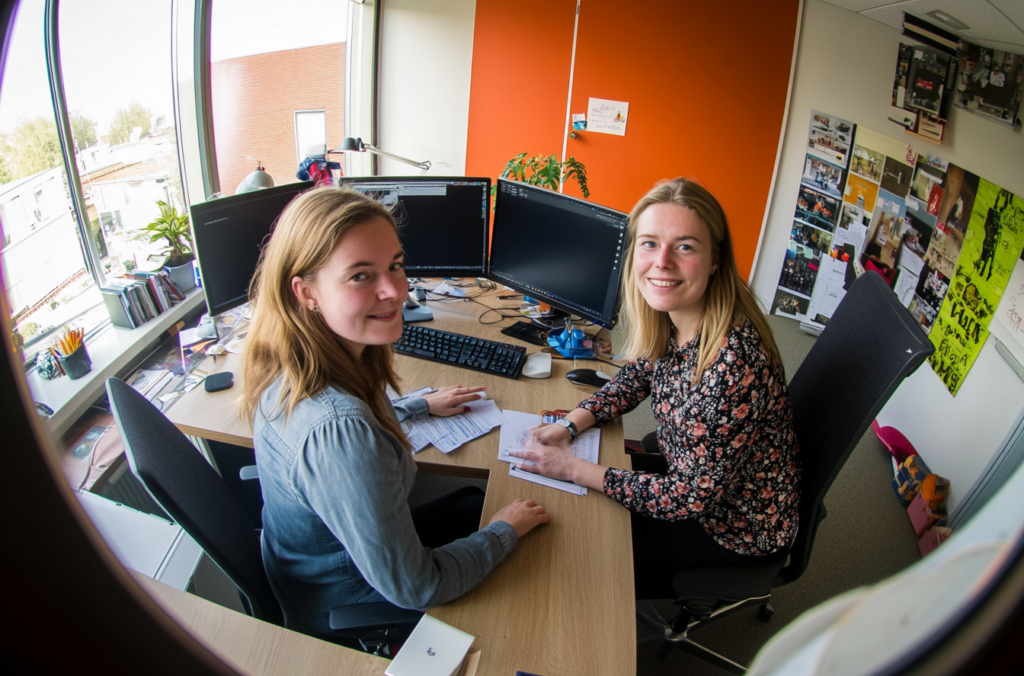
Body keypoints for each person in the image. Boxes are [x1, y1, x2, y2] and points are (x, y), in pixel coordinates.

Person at [240, 187, 549, 641]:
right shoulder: (337, 431)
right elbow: (418, 586)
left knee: (469, 499)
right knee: (543, 607)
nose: (395, 291)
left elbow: (354, 419)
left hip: (332, 564)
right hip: (352, 602)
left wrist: (419, 405)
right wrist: (504, 531)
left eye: (395, 265)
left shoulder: (299, 359)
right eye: (361, 276)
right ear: (306, 292)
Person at [511, 178, 801, 599]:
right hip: (690, 473)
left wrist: (572, 467)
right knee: (560, 500)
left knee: (568, 551)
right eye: (649, 243)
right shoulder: (678, 314)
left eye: (685, 246)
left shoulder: (733, 364)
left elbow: (686, 500)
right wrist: (571, 425)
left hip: (729, 527)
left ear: (716, 259)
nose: (661, 262)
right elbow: (637, 377)